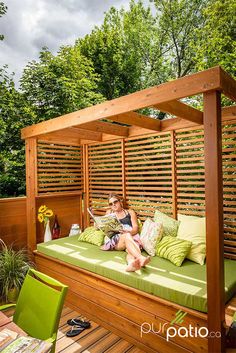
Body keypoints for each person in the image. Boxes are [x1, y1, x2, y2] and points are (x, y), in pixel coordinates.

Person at [101, 193, 150, 272]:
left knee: (130, 252)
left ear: (120, 201)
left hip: (131, 237)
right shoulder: (109, 213)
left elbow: (136, 228)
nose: (113, 205)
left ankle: (131, 264)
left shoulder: (130, 212)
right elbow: (101, 226)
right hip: (117, 241)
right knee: (126, 236)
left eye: (115, 202)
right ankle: (141, 258)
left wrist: (129, 232)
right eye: (111, 204)